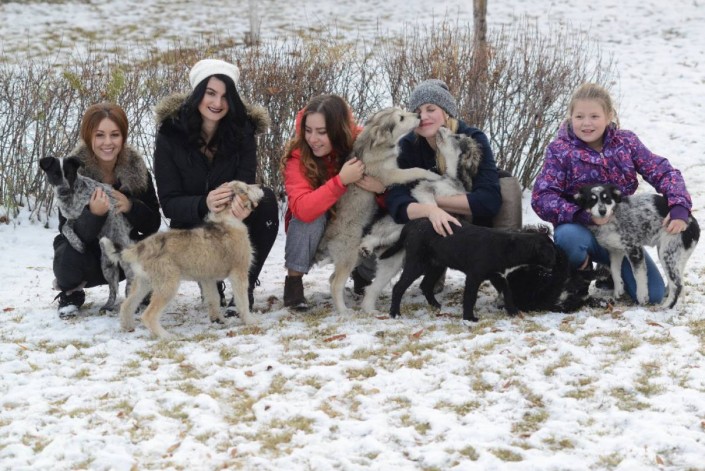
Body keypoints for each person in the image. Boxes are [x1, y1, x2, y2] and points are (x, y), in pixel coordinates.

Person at [531, 82, 693, 303]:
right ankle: (580, 276)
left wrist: (679, 205)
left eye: (594, 116)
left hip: (621, 233)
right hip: (581, 230)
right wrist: (583, 215)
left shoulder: (626, 142)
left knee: (654, 295)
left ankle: (609, 272)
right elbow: (542, 197)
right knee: (568, 238)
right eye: (579, 116)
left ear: (609, 116)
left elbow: (662, 171)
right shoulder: (560, 150)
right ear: (570, 117)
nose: (586, 123)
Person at [153, 58, 279, 314]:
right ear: (197, 93)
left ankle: (244, 288)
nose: (217, 103)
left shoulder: (243, 130)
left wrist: (243, 204)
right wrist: (204, 203)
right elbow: (168, 202)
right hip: (193, 222)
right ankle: (210, 281)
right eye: (210, 93)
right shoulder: (170, 133)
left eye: (225, 96)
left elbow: (246, 181)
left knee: (265, 200)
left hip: (231, 218)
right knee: (194, 224)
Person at [52, 103, 161, 318]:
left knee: (155, 248)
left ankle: (141, 287)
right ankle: (72, 292)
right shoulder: (71, 171)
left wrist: (131, 207)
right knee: (65, 254)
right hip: (92, 257)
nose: (108, 142)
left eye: (115, 135)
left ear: (123, 137)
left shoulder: (137, 169)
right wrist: (94, 214)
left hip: (126, 251)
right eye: (100, 135)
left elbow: (153, 223)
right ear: (88, 137)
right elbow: (65, 226)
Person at [280, 94, 385, 310]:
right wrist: (341, 181)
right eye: (308, 130)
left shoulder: (361, 144)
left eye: (322, 132)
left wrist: (382, 189)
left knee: (379, 216)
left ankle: (362, 274)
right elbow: (302, 209)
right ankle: (293, 284)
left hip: (352, 221)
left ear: (338, 130)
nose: (313, 139)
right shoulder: (298, 156)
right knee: (308, 215)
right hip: (315, 233)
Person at [385, 78, 511, 235]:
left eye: (431, 109)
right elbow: (396, 200)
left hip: (473, 229)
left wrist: (430, 199)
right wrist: (430, 211)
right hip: (425, 227)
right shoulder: (407, 145)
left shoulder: (471, 139)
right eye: (417, 112)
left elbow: (489, 201)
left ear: (446, 112)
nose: (423, 117)